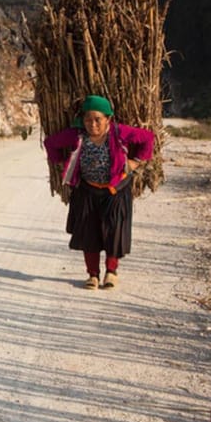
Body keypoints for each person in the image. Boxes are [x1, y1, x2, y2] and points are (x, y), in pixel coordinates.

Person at [43, 94, 155, 290]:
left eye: (97, 119)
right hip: (87, 190)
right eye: (88, 119)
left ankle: (111, 272)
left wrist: (135, 162)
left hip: (115, 191)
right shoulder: (77, 135)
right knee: (89, 234)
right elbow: (50, 143)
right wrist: (63, 163)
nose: (92, 124)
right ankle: (92, 275)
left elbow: (148, 139)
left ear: (108, 119)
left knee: (114, 232)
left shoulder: (119, 133)